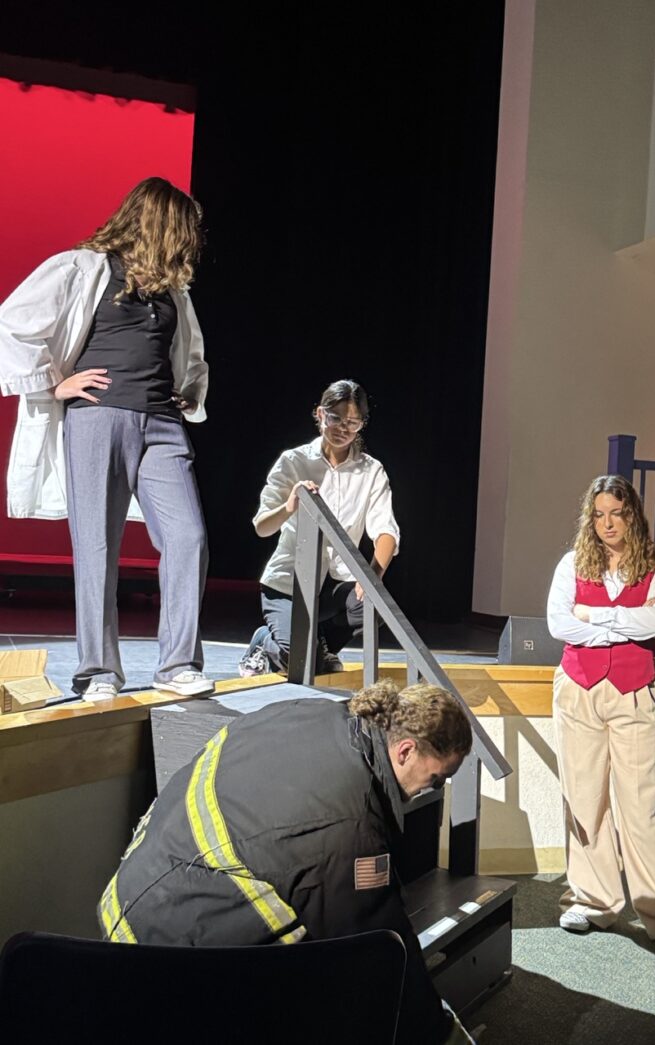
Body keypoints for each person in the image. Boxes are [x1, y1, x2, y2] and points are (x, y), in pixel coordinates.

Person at [99, 679, 475, 1044]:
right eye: (437, 778)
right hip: (169, 956)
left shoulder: (312, 714)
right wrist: (440, 1032)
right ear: (406, 751)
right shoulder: (347, 824)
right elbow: (381, 951)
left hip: (131, 898)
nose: (433, 788)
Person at [0, 177, 213, 701]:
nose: (190, 240)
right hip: (99, 417)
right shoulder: (83, 268)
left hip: (161, 423)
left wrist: (186, 392)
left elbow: (188, 353)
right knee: (97, 545)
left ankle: (178, 664)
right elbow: (12, 322)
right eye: (183, 228)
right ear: (159, 224)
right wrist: (53, 384)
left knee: (188, 537)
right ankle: (97, 671)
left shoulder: (172, 290)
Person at [546, 474, 655, 952]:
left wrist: (594, 616)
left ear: (632, 515)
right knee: (585, 798)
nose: (607, 523)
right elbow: (559, 624)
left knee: (644, 805)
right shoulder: (573, 563)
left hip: (636, 692)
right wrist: (622, 625)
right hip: (579, 689)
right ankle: (592, 901)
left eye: (616, 513)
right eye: (599, 515)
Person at [239, 379, 400, 677]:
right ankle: (265, 642)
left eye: (352, 423)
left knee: (373, 606)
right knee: (302, 661)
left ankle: (319, 645)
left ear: (361, 425)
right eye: (336, 418)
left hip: (335, 585)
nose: (343, 428)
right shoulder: (294, 461)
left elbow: (386, 529)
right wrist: (290, 505)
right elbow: (262, 526)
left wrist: (373, 577)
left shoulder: (371, 469)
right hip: (289, 584)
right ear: (320, 414)